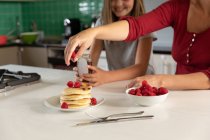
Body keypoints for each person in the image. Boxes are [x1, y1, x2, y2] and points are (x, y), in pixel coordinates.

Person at [64, 0, 210, 90]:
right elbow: (137, 27)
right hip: (179, 95)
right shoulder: (177, 6)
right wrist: (93, 32)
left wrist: (159, 80)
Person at [75, 0, 156, 86]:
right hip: (115, 82)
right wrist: (85, 71)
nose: (118, 4)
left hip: (143, 83)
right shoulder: (102, 22)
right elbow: (92, 59)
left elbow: (140, 69)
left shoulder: (145, 22)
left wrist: (105, 76)